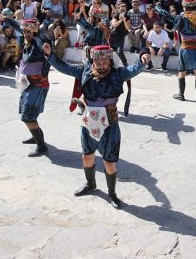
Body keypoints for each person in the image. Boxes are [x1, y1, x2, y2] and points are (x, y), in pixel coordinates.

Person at [45, 44, 151, 208]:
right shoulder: (84, 71)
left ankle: (112, 194)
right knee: (87, 156)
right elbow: (64, 67)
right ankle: (91, 184)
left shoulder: (117, 74)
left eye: (105, 62)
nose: (102, 65)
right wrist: (50, 55)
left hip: (110, 124)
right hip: (89, 123)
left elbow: (133, 69)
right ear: (93, 61)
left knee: (109, 161)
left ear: (109, 60)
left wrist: (143, 58)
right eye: (98, 62)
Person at [14, 20, 52, 157]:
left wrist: (36, 32)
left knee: (28, 117)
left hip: (37, 85)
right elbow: (16, 26)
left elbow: (40, 37)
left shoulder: (40, 43)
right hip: (27, 85)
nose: (26, 34)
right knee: (29, 114)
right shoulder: (27, 43)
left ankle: (41, 146)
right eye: (24, 31)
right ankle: (36, 136)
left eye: (29, 31)